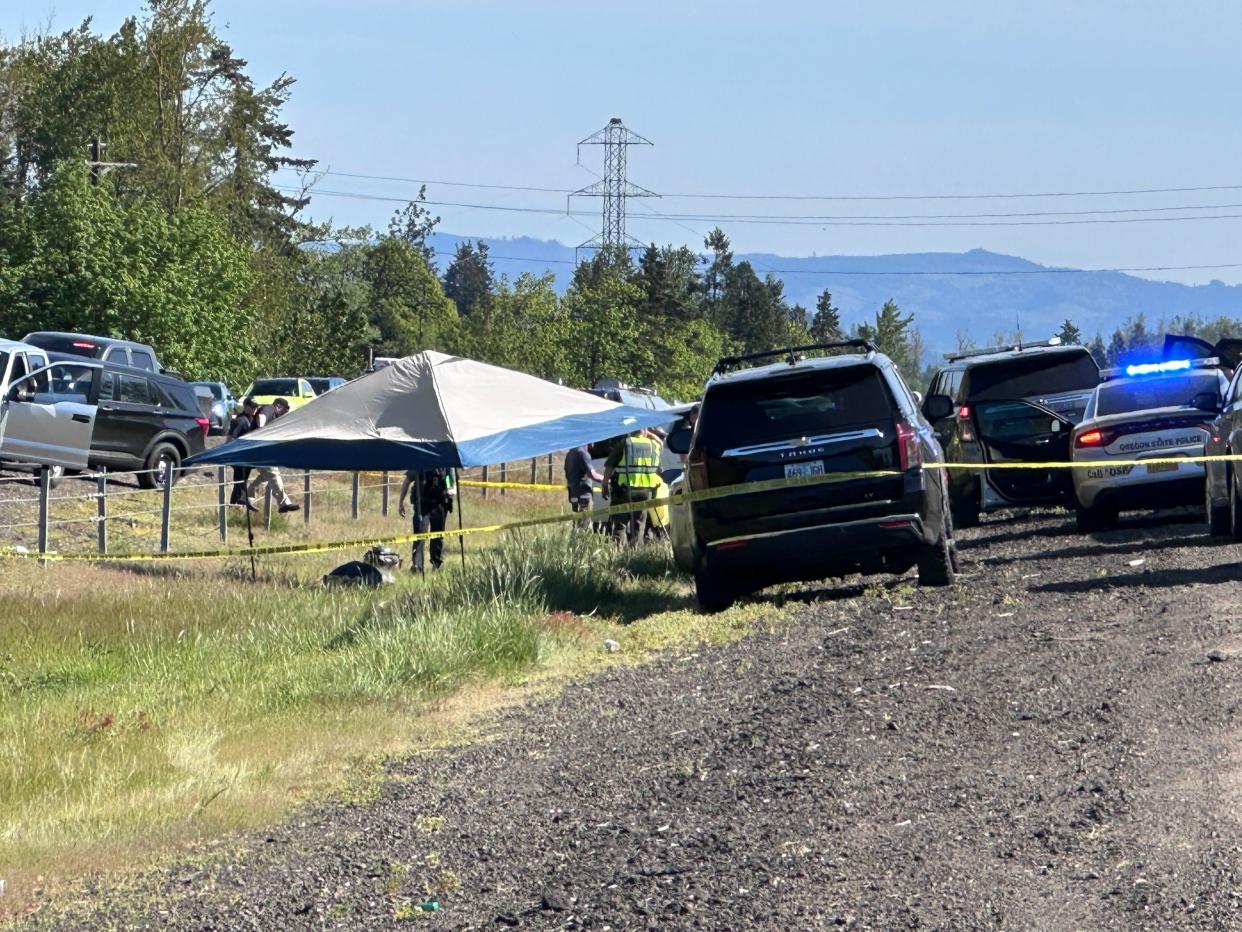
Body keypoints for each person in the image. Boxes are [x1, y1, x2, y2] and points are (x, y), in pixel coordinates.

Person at [602, 428, 663, 545]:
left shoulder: (625, 443)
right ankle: (635, 552)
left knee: (620, 524)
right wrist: (649, 433)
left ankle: (619, 551)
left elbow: (609, 466)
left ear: (630, 430)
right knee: (639, 525)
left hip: (625, 490)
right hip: (646, 491)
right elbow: (660, 443)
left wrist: (605, 485)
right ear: (644, 430)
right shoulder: (653, 445)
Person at [245, 397, 300, 514]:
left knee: (265, 476)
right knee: (274, 474)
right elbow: (261, 417)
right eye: (285, 410)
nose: (285, 413)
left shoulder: (274, 415)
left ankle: (246, 496)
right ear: (279, 406)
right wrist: (262, 433)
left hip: (256, 449)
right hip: (259, 448)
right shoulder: (270, 408)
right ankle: (284, 503)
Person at [398, 467, 455, 572]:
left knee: (437, 535)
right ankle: (417, 566)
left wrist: (450, 488)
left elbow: (449, 479)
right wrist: (400, 503)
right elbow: (407, 482)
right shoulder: (420, 461)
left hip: (439, 504)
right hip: (422, 505)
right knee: (420, 535)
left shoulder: (445, 463)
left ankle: (436, 564)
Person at [227, 397, 259, 507]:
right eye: (252, 406)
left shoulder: (253, 419)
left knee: (242, 481)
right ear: (245, 406)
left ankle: (235, 505)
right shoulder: (239, 420)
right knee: (240, 481)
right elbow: (230, 438)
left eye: (255, 407)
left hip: (248, 456)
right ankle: (239, 502)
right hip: (238, 456)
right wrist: (230, 455)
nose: (254, 409)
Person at [563, 444, 603, 529]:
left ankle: (576, 541)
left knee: (578, 525)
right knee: (585, 526)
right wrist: (608, 480)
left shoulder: (570, 453)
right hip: (584, 496)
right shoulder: (582, 453)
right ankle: (580, 542)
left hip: (574, 494)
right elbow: (593, 475)